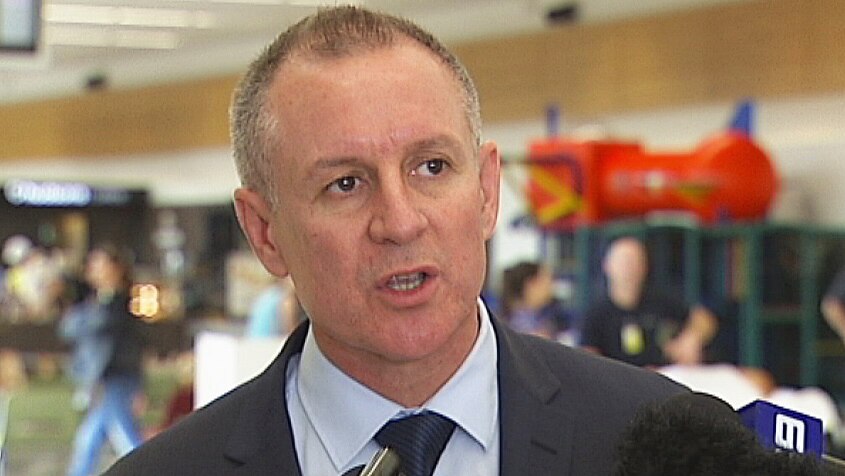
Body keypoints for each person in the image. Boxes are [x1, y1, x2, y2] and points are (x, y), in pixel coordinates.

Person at [106, 7, 685, 475]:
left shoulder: (665, 446)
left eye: (431, 167)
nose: (401, 222)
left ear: (487, 191)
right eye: (346, 184)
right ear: (265, 232)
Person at [59, 243, 145, 476]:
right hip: (104, 379)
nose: (93, 269)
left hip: (114, 378)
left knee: (123, 436)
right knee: (91, 438)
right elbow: (68, 327)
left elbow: (96, 326)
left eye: (100, 263)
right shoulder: (97, 303)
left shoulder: (117, 305)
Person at [580, 236, 718, 368]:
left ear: (645, 266)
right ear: (607, 266)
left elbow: (704, 319)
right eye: (624, 262)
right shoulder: (595, 315)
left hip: (665, 383)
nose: (629, 269)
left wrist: (691, 339)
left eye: (635, 261)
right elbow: (587, 363)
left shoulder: (661, 301)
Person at [500, 261, 571, 341]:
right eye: (547, 280)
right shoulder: (512, 324)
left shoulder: (552, 315)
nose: (551, 287)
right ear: (531, 284)